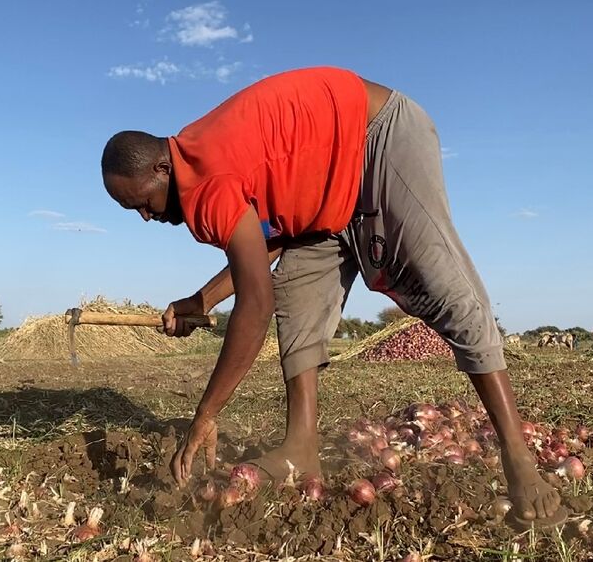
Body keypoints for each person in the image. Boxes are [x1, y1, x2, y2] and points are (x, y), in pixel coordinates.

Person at [100, 67, 565, 527]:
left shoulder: (204, 183)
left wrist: (206, 413)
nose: (145, 216)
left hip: (378, 137)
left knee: (445, 287)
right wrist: (202, 301)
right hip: (327, 194)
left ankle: (517, 455)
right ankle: (301, 446)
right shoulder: (196, 159)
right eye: (132, 210)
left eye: (143, 202)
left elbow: (254, 301)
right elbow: (270, 244)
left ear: (162, 167)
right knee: (298, 294)